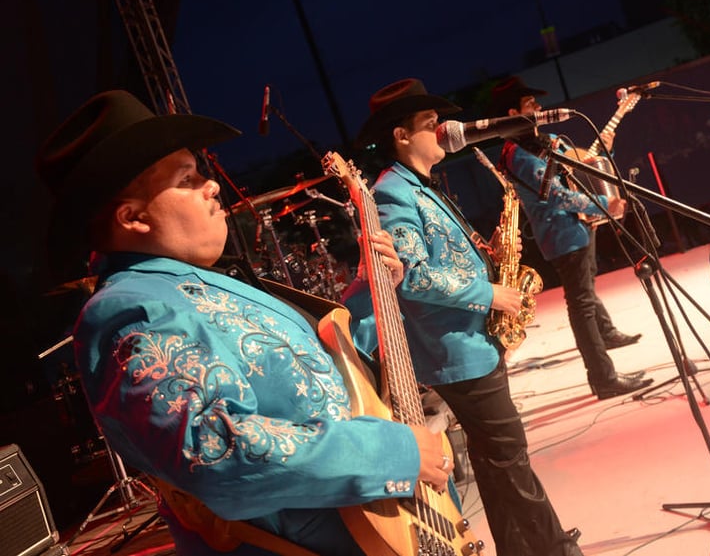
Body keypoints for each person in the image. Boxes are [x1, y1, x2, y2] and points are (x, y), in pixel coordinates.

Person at [35, 89, 457, 556]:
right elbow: (214, 450)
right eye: (188, 178)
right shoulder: (129, 312)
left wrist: (370, 292)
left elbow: (322, 372)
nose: (212, 185)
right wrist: (395, 454)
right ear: (133, 218)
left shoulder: (190, 283)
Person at [346, 78, 584, 556]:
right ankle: (555, 549)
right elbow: (411, 275)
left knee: (498, 462)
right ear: (401, 135)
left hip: (469, 344)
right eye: (430, 124)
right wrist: (490, 293)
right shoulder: (393, 192)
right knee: (510, 455)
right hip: (456, 349)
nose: (443, 129)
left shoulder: (419, 186)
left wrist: (490, 255)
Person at [490, 75, 652, 400]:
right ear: (512, 112)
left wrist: (606, 143)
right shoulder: (516, 155)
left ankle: (606, 336)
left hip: (577, 225)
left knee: (585, 289)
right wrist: (608, 203)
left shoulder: (546, 141)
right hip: (561, 233)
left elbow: (584, 159)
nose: (538, 106)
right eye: (530, 103)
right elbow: (556, 196)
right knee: (580, 304)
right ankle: (603, 377)